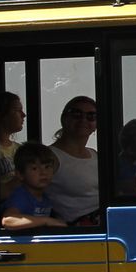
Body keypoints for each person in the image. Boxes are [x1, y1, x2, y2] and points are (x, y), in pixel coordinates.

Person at [46, 96, 101, 225]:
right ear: (64, 118)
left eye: (91, 116)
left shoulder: (95, 154)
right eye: (76, 114)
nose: (83, 120)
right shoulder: (49, 156)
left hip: (104, 223)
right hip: (77, 230)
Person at [1, 142, 66, 231]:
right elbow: (8, 220)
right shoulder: (21, 196)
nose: (43, 172)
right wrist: (46, 221)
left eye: (47, 167)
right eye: (34, 168)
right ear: (20, 174)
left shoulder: (45, 197)